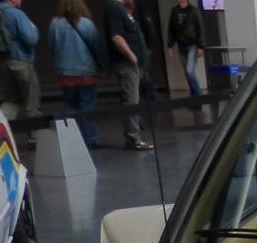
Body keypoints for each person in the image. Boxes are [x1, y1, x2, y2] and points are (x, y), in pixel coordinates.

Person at [0, 0, 40, 142]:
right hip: (21, 61)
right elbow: (31, 39)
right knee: (31, 101)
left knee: (11, 101)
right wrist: (34, 28)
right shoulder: (17, 14)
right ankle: (35, 137)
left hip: (2, 62)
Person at [50, 0, 104, 149]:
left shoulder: (55, 24)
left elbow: (52, 47)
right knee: (87, 105)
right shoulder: (87, 24)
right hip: (86, 72)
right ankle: (89, 137)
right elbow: (96, 46)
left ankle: (69, 136)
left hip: (65, 72)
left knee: (70, 104)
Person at [104, 0, 154, 151]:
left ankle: (134, 134)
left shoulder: (123, 9)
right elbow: (116, 36)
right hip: (127, 63)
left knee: (135, 99)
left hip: (134, 63)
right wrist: (131, 56)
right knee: (131, 100)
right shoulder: (113, 8)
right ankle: (133, 137)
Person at [166, 0, 206, 123]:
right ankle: (194, 100)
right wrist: (170, 45)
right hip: (181, 45)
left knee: (190, 71)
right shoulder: (174, 11)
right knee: (187, 74)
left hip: (192, 44)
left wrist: (201, 46)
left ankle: (198, 98)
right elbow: (171, 29)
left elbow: (200, 28)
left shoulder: (193, 11)